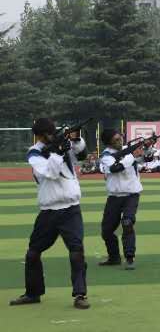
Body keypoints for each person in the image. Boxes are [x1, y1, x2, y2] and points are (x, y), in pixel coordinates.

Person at [10, 118, 89, 309]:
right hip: (49, 211)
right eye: (48, 134)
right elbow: (51, 173)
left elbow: (82, 155)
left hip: (71, 208)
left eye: (53, 132)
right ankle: (32, 293)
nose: (51, 136)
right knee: (33, 253)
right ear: (39, 136)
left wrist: (76, 140)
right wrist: (57, 151)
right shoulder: (34, 153)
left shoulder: (61, 145)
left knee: (76, 252)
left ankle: (80, 295)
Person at [98, 129, 144, 270]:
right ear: (108, 143)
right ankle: (114, 257)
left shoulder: (128, 150)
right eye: (116, 140)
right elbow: (115, 168)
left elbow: (144, 159)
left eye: (120, 138)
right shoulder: (106, 156)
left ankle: (129, 257)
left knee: (127, 222)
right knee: (106, 231)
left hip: (131, 194)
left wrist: (145, 150)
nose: (120, 141)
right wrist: (132, 156)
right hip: (114, 196)